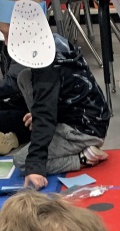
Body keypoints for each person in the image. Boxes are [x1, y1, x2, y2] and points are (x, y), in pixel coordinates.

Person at [13, 33, 110, 189]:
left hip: (84, 130)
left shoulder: (46, 69)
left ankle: (83, 158)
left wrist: (35, 167)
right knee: (24, 77)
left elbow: (45, 118)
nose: (5, 43)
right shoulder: (54, 44)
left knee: (22, 161)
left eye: (7, 36)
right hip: (88, 118)